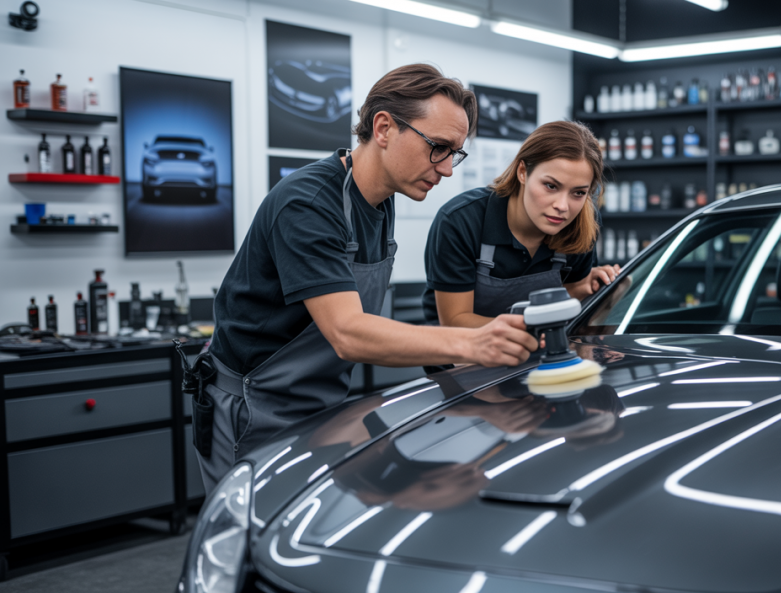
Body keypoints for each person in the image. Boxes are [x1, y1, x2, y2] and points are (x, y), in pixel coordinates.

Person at [195, 64, 538, 492]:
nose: (448, 169)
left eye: (455, 153)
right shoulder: (308, 203)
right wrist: (472, 343)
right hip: (253, 405)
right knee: (251, 527)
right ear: (384, 128)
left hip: (319, 404)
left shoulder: (380, 203)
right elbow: (347, 332)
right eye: (438, 148)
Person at [422, 120, 619, 333]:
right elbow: (456, 322)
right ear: (523, 171)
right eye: (551, 186)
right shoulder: (461, 221)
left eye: (578, 193)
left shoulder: (582, 223)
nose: (563, 206)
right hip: (463, 352)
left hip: (543, 350)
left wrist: (593, 292)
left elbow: (572, 314)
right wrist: (535, 328)